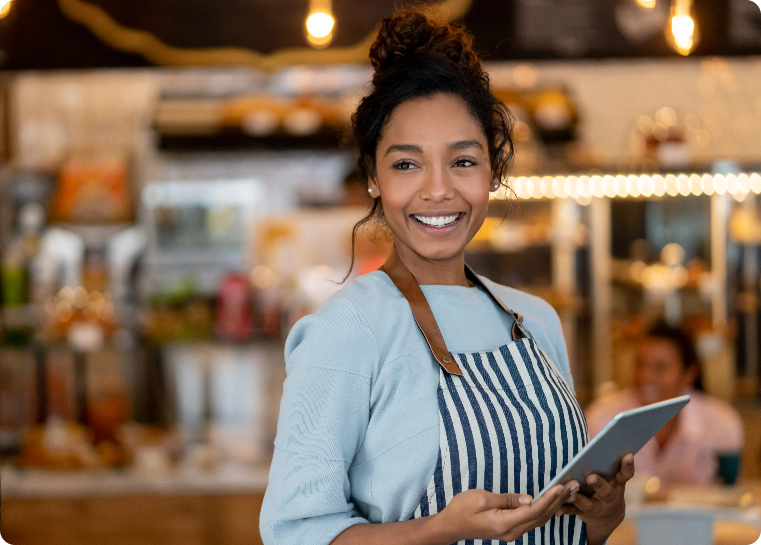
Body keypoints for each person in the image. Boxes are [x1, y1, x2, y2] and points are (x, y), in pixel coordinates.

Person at [260, 10, 633, 545]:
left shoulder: (538, 323)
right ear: (373, 176)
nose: (438, 190)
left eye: (462, 161)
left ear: (493, 170)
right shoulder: (348, 330)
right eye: (407, 165)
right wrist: (436, 531)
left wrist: (597, 522)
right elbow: (295, 535)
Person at [585, 322, 744, 485]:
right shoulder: (602, 418)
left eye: (660, 367)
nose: (646, 376)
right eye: (640, 364)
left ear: (689, 374)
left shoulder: (721, 421)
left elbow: (730, 492)